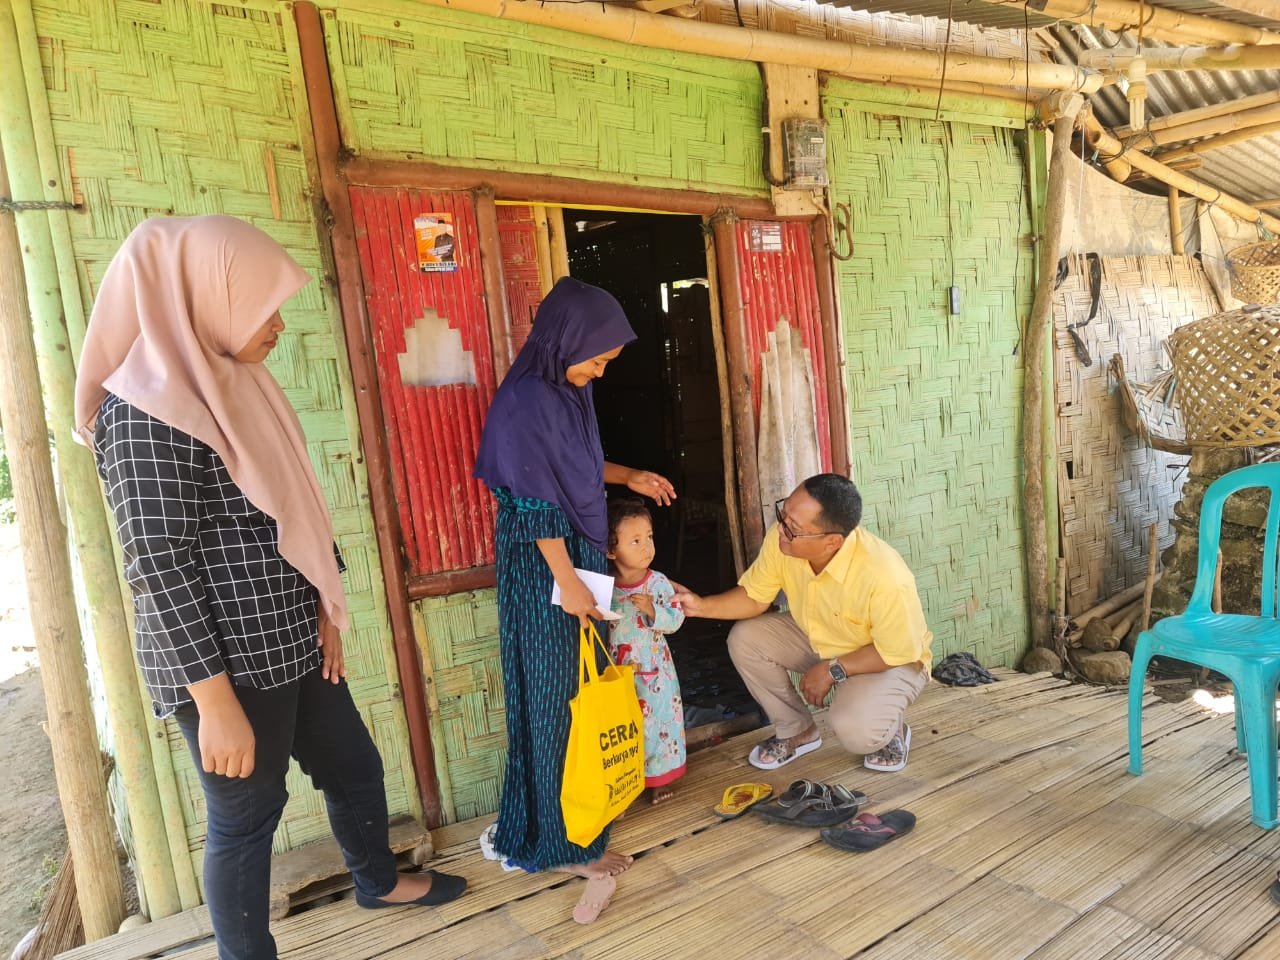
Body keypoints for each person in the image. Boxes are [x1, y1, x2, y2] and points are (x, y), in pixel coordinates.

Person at [76, 215, 466, 960]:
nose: (279, 326)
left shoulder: (237, 384)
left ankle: (376, 879)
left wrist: (325, 605)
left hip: (290, 634)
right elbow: (158, 565)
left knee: (354, 764)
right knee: (247, 818)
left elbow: (296, 504)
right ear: (205, 300)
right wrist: (214, 702)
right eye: (264, 307)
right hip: (223, 665)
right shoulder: (145, 414)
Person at [473, 277, 675, 880]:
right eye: (599, 360)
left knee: (574, 691)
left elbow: (577, 467)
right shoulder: (529, 399)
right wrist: (572, 583)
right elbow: (536, 503)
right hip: (545, 563)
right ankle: (561, 846)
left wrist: (630, 475)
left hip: (571, 556)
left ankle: (568, 826)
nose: (602, 372)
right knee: (554, 697)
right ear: (565, 343)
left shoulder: (566, 389)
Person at [674, 473, 932, 773]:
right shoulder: (783, 538)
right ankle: (797, 730)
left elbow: (896, 651)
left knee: (859, 731)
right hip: (820, 636)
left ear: (831, 542)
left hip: (888, 659)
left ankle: (891, 730)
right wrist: (700, 605)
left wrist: (833, 669)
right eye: (783, 516)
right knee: (746, 639)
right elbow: (755, 598)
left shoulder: (884, 575)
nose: (781, 530)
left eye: (793, 528)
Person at [605, 498, 687, 805]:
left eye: (649, 537)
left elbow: (676, 619)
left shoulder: (658, 583)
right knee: (624, 729)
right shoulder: (606, 588)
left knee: (656, 726)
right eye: (635, 541)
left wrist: (654, 610)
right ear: (611, 551)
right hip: (618, 671)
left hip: (655, 676)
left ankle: (658, 780)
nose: (646, 547)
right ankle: (627, 785)